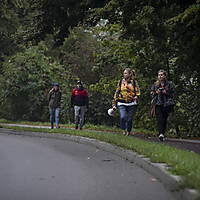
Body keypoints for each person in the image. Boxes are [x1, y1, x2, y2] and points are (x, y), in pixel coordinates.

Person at [112, 68, 140, 136]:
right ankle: (123, 129)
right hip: (121, 102)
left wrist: (136, 97)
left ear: (130, 74)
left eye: (125, 73)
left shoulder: (134, 83)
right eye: (124, 73)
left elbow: (138, 92)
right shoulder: (121, 81)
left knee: (130, 119)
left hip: (131, 103)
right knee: (123, 117)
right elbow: (117, 92)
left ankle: (128, 131)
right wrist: (114, 103)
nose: (124, 74)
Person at [151, 69, 175, 141]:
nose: (160, 76)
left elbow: (172, 95)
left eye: (161, 75)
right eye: (159, 75)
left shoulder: (169, 84)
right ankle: (160, 133)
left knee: (164, 119)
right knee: (159, 119)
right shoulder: (155, 84)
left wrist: (165, 92)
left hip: (166, 104)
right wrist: (156, 92)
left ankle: (163, 133)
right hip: (158, 104)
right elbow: (152, 94)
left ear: (165, 76)